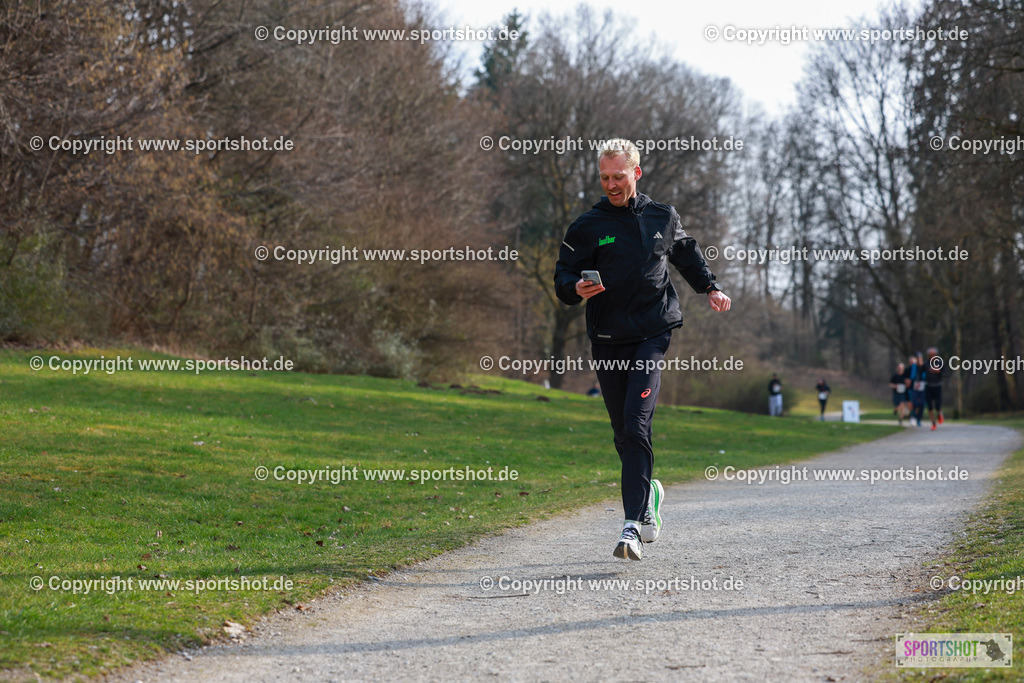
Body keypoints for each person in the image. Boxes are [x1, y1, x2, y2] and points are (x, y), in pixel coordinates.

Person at [554, 138, 731, 561]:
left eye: (619, 176)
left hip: (653, 332)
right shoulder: (587, 225)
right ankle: (648, 491)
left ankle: (631, 525)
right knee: (624, 433)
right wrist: (575, 287)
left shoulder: (662, 216)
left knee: (635, 424)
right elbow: (563, 276)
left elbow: (686, 255)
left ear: (636, 172)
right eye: (604, 177)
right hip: (608, 338)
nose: (611, 184)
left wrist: (710, 286)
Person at [925, 347, 945, 430]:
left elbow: (947, 373)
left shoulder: (940, 363)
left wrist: (938, 371)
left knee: (937, 405)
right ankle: (933, 424)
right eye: (930, 355)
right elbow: (919, 372)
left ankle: (939, 414)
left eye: (933, 355)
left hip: (937, 386)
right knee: (929, 407)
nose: (932, 356)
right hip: (928, 387)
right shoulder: (926, 363)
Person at [910, 351, 927, 427]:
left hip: (923, 387)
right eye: (917, 358)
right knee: (915, 403)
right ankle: (913, 417)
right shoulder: (913, 367)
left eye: (919, 358)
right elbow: (912, 376)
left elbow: (927, 376)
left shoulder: (925, 366)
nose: (918, 359)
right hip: (915, 386)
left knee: (922, 404)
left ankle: (919, 420)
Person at [889, 362, 908, 426]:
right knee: (897, 406)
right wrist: (895, 386)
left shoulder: (905, 376)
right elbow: (890, 384)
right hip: (896, 393)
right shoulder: (894, 376)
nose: (900, 369)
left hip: (903, 394)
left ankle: (900, 420)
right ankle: (896, 409)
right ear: (897, 368)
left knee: (902, 406)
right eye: (899, 367)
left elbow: (908, 383)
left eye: (901, 367)